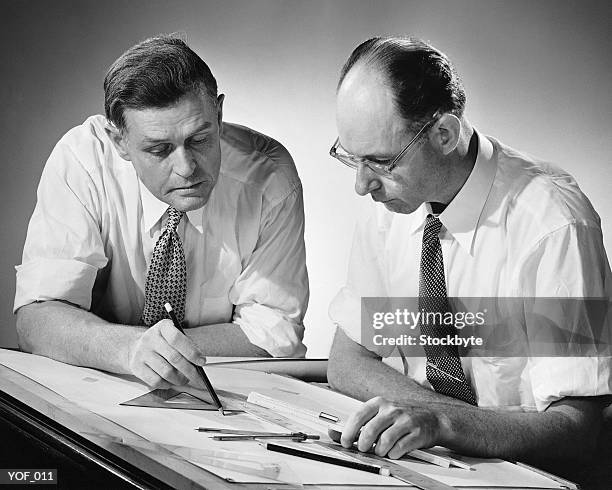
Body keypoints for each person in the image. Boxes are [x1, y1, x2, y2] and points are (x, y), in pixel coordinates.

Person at [327, 36, 612, 465]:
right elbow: (348, 360)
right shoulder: (389, 205)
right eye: (353, 158)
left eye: (382, 163)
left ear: (444, 134)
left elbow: (577, 425)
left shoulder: (553, 224)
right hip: (422, 463)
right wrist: (432, 419)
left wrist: (443, 422)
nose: (361, 185)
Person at [14, 35, 309, 390]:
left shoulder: (269, 177)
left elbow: (273, 338)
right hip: (92, 381)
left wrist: (157, 353)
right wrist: (129, 348)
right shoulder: (83, 160)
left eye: (200, 140)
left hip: (215, 391)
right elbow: (38, 319)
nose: (186, 168)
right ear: (118, 141)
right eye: (159, 150)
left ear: (218, 113)